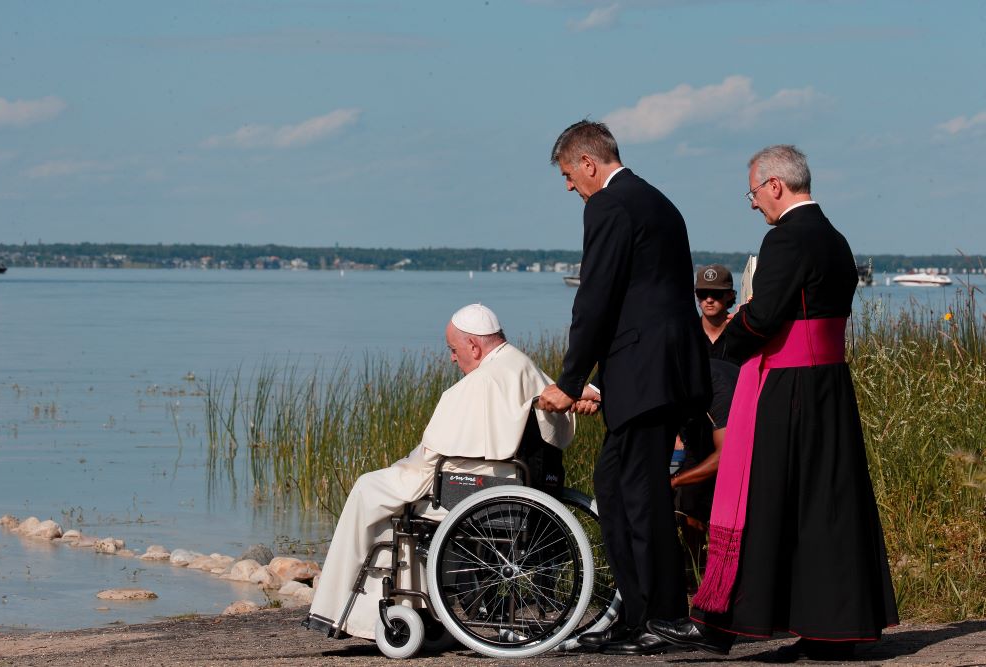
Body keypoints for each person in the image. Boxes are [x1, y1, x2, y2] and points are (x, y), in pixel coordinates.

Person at [650, 145, 898, 661]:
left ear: (776, 185)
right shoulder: (836, 239)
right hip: (832, 383)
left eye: (754, 192)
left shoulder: (785, 238)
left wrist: (724, 347)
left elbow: (763, 316)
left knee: (766, 500)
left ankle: (726, 624)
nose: (754, 203)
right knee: (827, 505)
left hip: (790, 386)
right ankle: (832, 629)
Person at [536, 120, 711, 656]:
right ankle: (637, 613)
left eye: (569, 175)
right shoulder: (658, 201)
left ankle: (666, 617)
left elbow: (596, 300)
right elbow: (649, 298)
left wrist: (569, 382)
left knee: (640, 498)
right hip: (659, 372)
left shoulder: (608, 206)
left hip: (647, 377)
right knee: (614, 490)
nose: (569, 187)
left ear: (588, 162)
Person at [303, 303, 574, 640]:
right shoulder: (522, 364)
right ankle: (415, 608)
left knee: (368, 489)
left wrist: (405, 465)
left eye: (453, 349)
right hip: (510, 482)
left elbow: (432, 460)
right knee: (386, 495)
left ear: (473, 346)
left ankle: (342, 612)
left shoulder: (481, 382)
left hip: (473, 486)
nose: (451, 358)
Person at [671, 358, 738, 584]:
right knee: (688, 502)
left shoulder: (718, 386)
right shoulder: (669, 381)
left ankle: (728, 573)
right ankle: (698, 572)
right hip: (698, 431)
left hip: (743, 440)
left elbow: (725, 457)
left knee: (730, 504)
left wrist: (674, 481)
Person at [694, 264, 739, 363]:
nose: (709, 300)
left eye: (716, 294)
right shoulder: (689, 334)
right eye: (702, 294)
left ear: (730, 295)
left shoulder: (740, 335)